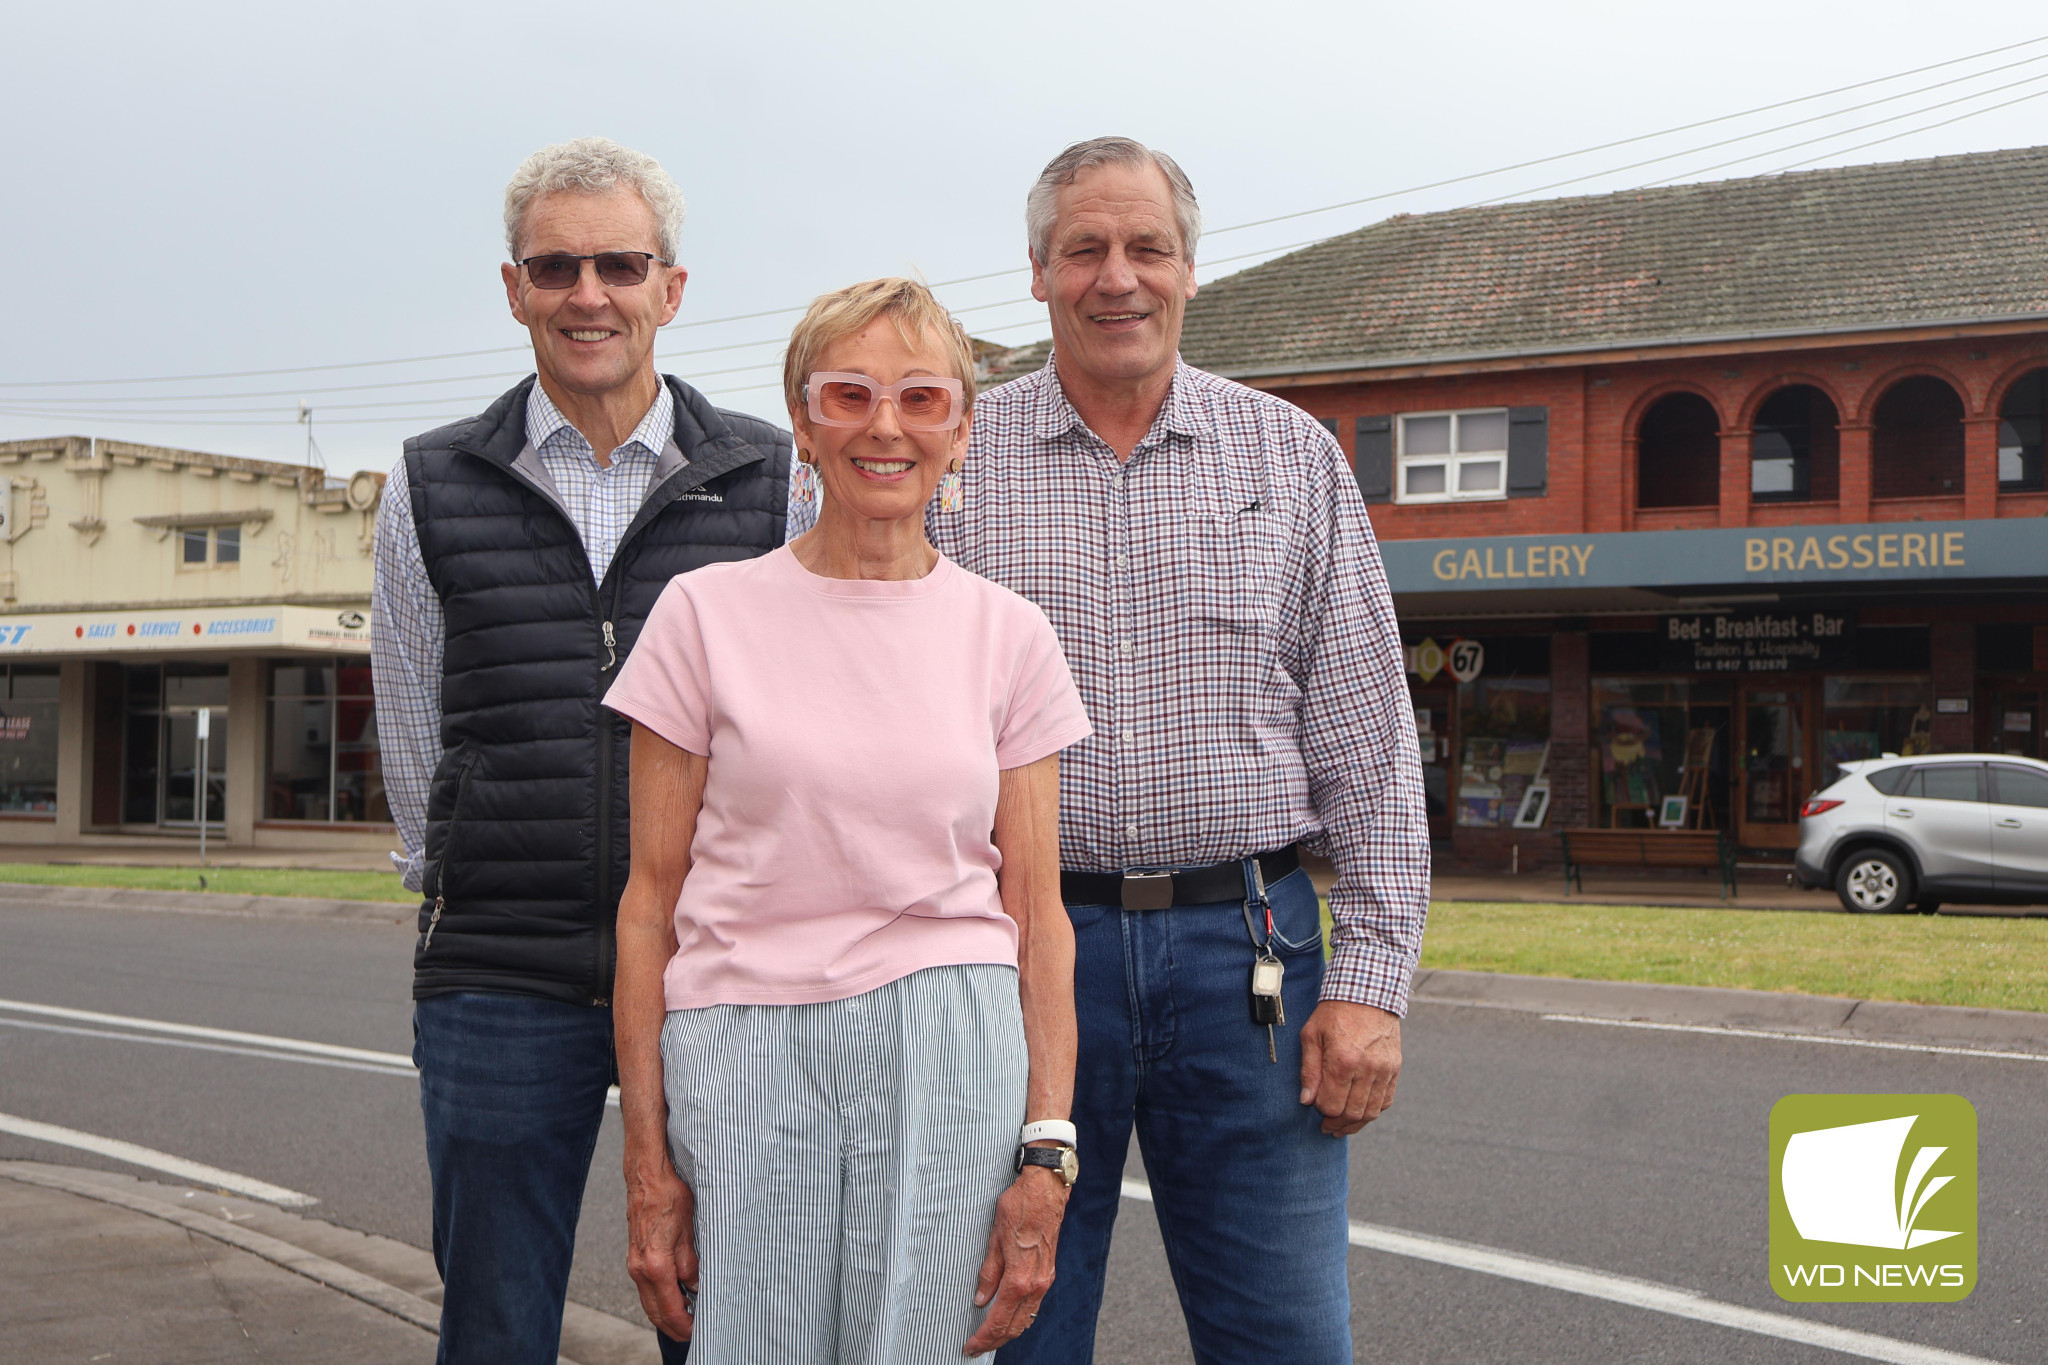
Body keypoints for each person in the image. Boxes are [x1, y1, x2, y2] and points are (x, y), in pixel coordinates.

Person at [794, 137, 1432, 1363]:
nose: (1115, 276)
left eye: (1145, 247)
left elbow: (1368, 738)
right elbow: (841, 683)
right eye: (1082, 248)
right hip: (1004, 957)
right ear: (1035, 272)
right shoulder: (943, 455)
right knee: (1006, 1329)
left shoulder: (1287, 456)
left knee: (1286, 1337)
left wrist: (1369, 985)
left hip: (1246, 954)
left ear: (1190, 269)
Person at [605, 277, 1092, 1364]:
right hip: (740, 1043)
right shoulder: (702, 616)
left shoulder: (1007, 635)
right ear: (802, 422)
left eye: (922, 398)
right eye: (849, 395)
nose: (885, 426)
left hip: (947, 1043)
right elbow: (648, 907)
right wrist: (647, 1164)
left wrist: (1045, 1152)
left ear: (961, 432)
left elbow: (1037, 914)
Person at [370, 136, 791, 1365]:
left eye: (619, 264)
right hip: (500, 970)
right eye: (556, 268)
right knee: (495, 1326)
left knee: (720, 1321)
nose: (588, 295)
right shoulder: (430, 480)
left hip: (720, 969)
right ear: (514, 289)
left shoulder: (774, 480)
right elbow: (412, 714)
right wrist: (451, 875)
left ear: (671, 286)